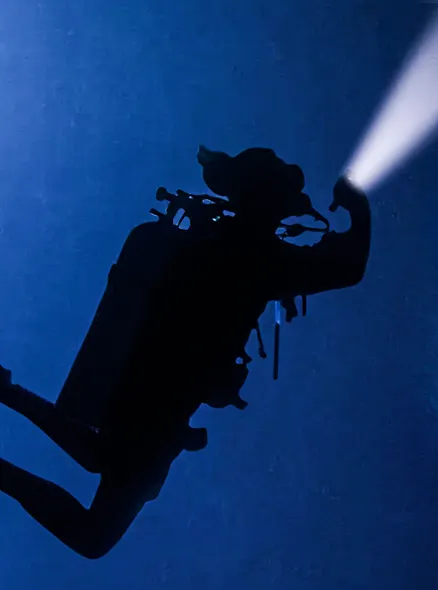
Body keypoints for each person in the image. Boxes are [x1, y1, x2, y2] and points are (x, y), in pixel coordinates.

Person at [0, 146, 371, 558]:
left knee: (102, 458)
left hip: (135, 391)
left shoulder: (208, 242)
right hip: (162, 411)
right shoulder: (260, 258)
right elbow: (347, 269)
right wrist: (359, 210)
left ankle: (9, 395)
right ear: (266, 196)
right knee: (94, 532)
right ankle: (8, 402)